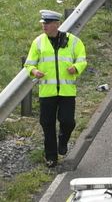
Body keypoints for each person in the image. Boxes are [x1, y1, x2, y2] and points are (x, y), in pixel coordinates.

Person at [26, 10, 86, 167]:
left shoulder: (73, 41)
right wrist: (34, 71)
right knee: (47, 124)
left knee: (68, 121)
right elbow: (29, 64)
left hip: (67, 91)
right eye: (43, 23)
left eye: (47, 23)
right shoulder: (38, 42)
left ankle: (63, 139)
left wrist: (76, 67)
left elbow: (82, 60)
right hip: (47, 92)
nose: (43, 26)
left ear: (56, 24)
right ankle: (51, 157)